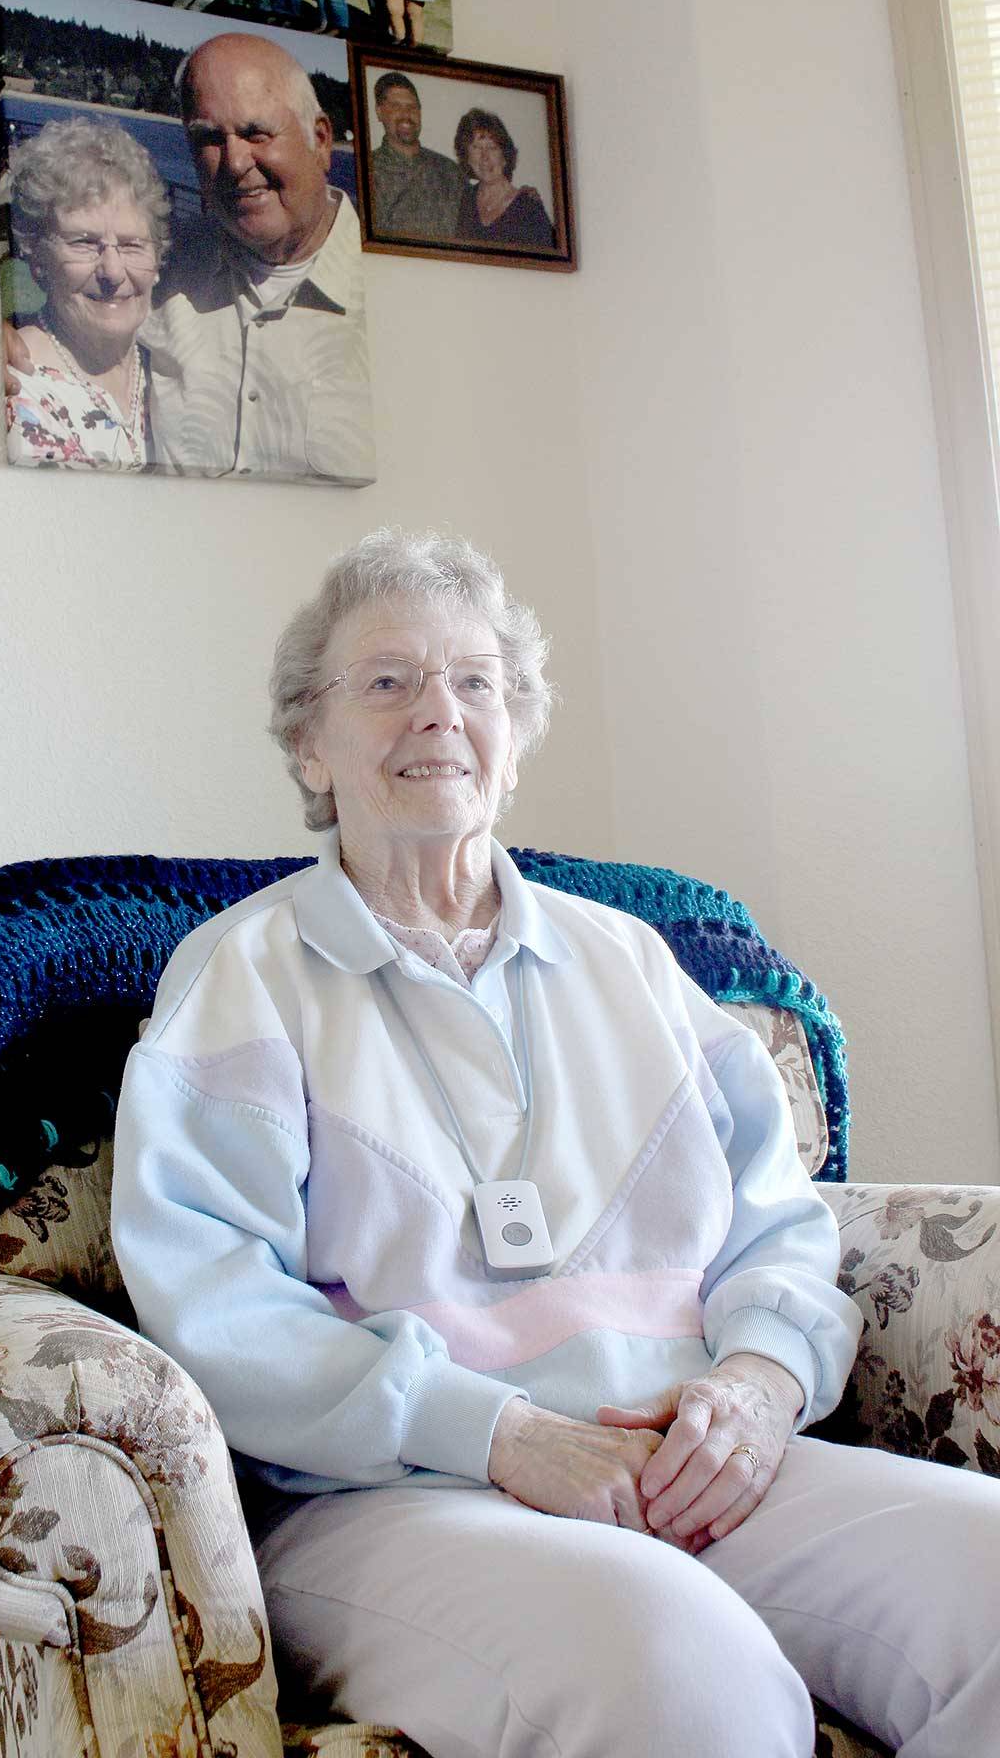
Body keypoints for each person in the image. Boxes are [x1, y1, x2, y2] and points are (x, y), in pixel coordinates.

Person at [110, 525, 1000, 1758]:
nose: (438, 711)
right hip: (396, 1499)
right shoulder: (239, 979)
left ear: (514, 737)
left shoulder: (629, 959)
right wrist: (503, 1434)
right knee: (679, 1676)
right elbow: (217, 1309)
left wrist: (753, 1387)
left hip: (688, 1460)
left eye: (475, 683)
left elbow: (777, 1219)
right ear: (308, 744)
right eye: (387, 681)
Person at [5, 34, 373, 481]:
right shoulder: (168, 263)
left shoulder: (395, 294)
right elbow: (69, 279)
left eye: (256, 133)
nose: (235, 162)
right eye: (209, 138)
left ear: (321, 140)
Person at [5, 117, 169, 469]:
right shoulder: (15, 386)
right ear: (38, 259)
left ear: (158, 258)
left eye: (132, 245)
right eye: (84, 243)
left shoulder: (172, 363)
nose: (113, 272)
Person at [369, 70, 463, 239]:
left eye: (412, 107)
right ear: (379, 112)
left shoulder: (450, 172)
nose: (406, 115)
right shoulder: (366, 171)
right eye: (396, 106)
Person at [453, 107, 557, 250]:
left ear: (505, 156)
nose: (484, 157)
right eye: (476, 147)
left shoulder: (529, 208)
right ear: (467, 157)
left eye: (492, 148)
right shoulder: (465, 200)